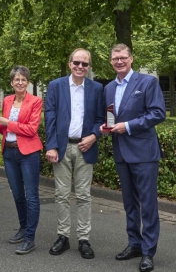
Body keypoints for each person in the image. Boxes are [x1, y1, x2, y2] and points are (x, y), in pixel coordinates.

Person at [100, 43, 166, 272]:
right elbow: (109, 115)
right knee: (129, 204)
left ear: (131, 59)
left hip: (144, 153)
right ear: (111, 61)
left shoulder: (147, 82)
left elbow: (157, 113)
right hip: (121, 152)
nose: (119, 61)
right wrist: (105, 127)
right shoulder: (108, 87)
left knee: (147, 204)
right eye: (115, 58)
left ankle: (148, 252)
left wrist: (127, 126)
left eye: (123, 57)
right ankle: (134, 244)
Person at [44, 48, 104, 259]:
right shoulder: (55, 86)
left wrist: (94, 136)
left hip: (85, 147)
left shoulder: (97, 88)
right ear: (70, 64)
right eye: (76, 62)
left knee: (84, 196)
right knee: (61, 195)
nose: (80, 67)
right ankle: (63, 236)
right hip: (60, 147)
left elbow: (100, 119)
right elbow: (49, 117)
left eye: (84, 64)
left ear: (89, 67)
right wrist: (51, 145)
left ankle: (84, 239)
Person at [0, 66, 43, 255]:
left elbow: (31, 129)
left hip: (28, 154)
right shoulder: (7, 101)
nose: (20, 82)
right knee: (18, 195)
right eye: (16, 79)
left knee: (31, 197)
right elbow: (4, 129)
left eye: (23, 80)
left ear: (28, 82)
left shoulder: (35, 101)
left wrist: (6, 123)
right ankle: (23, 228)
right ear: (11, 82)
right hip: (9, 153)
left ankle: (30, 238)